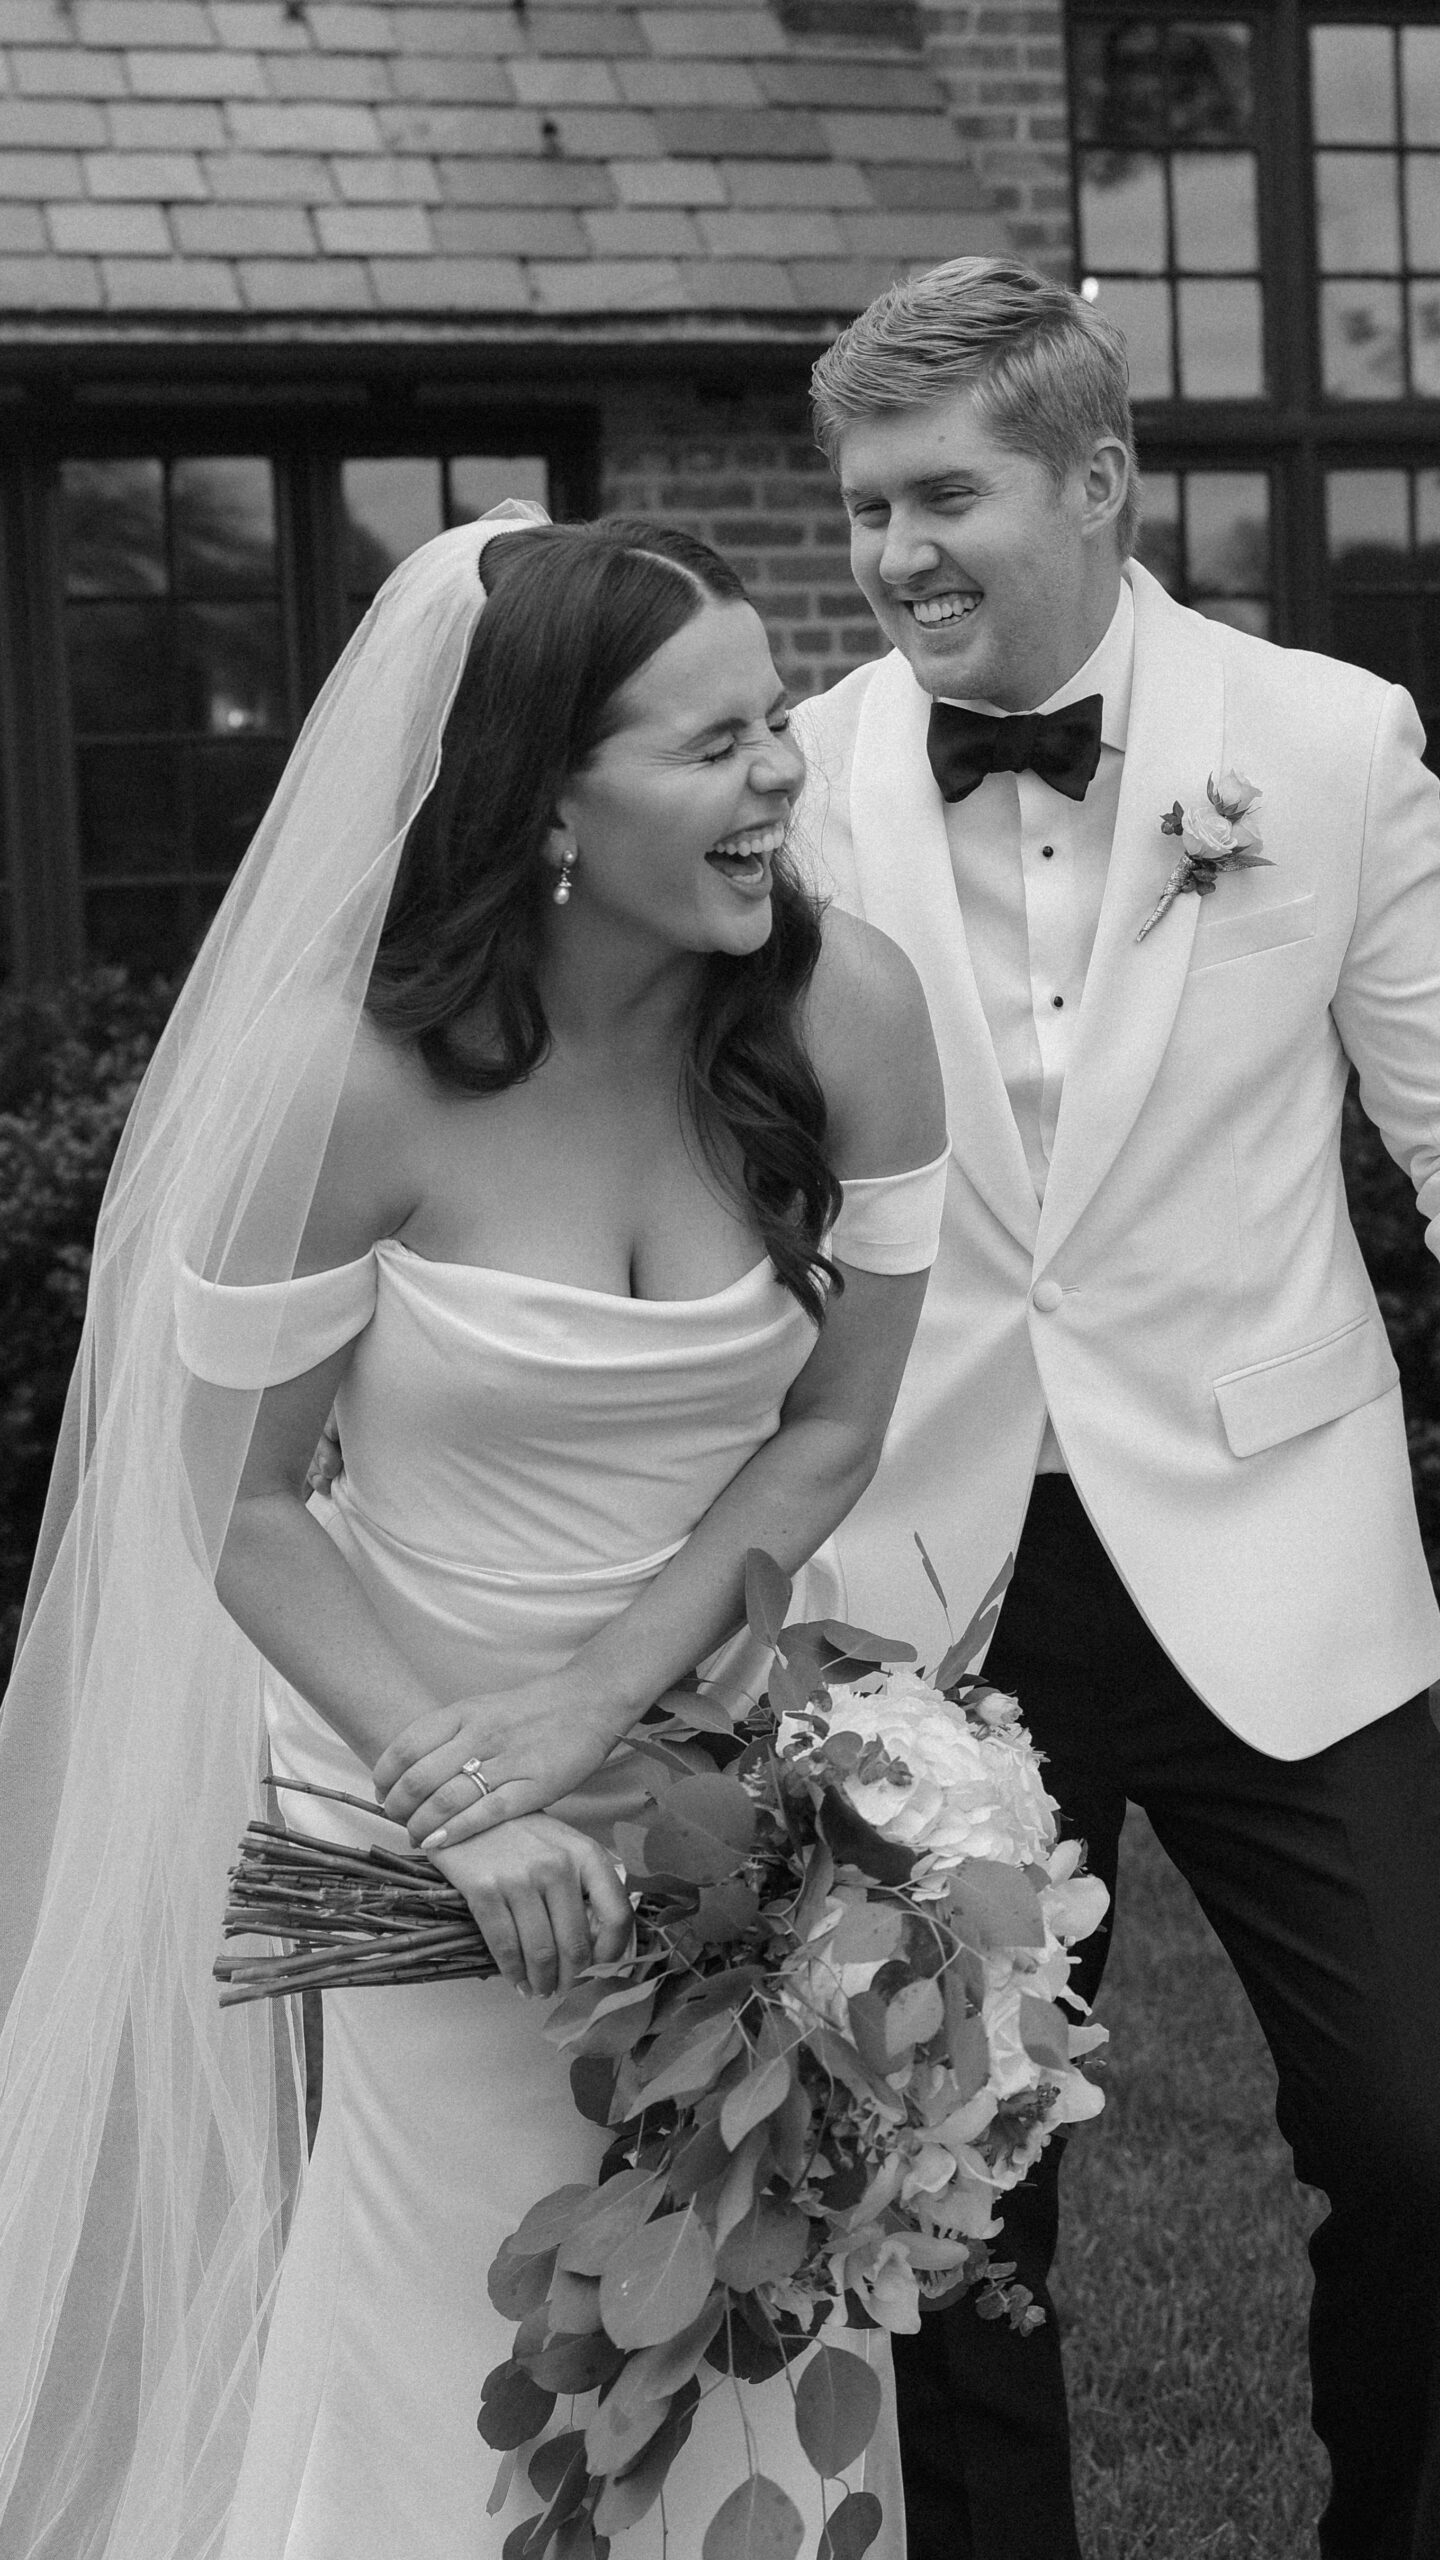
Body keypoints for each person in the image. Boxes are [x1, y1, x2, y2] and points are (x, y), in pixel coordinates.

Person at [781, 258, 1440, 2560]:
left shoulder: (1318, 737)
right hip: (922, 1588)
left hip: (1270, 1538)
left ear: (1096, 484)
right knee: (951, 2190)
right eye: (864, 505)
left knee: (1428, 2154)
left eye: (941, 494)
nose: (893, 552)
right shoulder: (796, 777)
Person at [0, 507, 946, 2560]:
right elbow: (230, 1497)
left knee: (760, 2353)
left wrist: (603, 1706)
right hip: (406, 1793)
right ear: (541, 801)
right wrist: (470, 1799)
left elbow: (831, 1428)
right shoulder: (341, 1086)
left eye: (770, 721)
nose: (776, 774)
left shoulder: (842, 1009)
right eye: (705, 746)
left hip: (720, 1797)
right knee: (461, 2368)